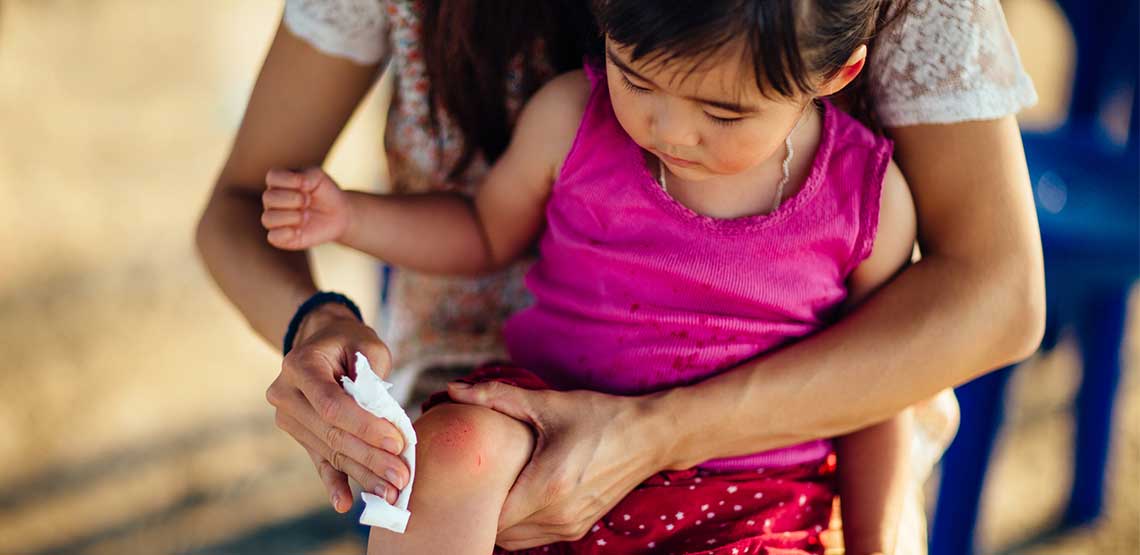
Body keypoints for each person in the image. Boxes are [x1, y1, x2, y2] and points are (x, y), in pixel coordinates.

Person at [195, 0, 1044, 552]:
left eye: (722, 113)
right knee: (451, 450)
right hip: (528, 405)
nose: (668, 132)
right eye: (637, 81)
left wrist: (658, 435)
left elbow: (975, 310)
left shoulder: (865, 197)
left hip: (763, 471)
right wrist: (324, 306)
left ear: (835, 73)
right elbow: (250, 208)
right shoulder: (578, 115)